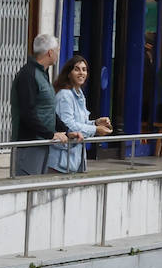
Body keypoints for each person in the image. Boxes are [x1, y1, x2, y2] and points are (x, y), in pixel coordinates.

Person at [10, 33, 74, 176]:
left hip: (42, 142)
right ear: (50, 53)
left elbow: (48, 109)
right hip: (29, 143)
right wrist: (50, 134)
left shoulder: (42, 73)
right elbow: (27, 113)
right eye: (57, 50)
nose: (58, 53)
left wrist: (66, 131)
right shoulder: (28, 75)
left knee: (38, 188)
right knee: (27, 187)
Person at [48, 56, 112, 174]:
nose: (81, 73)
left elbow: (80, 123)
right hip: (60, 162)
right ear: (68, 73)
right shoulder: (65, 95)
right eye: (77, 69)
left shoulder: (79, 94)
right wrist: (95, 129)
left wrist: (95, 123)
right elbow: (68, 125)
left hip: (73, 160)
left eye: (84, 69)